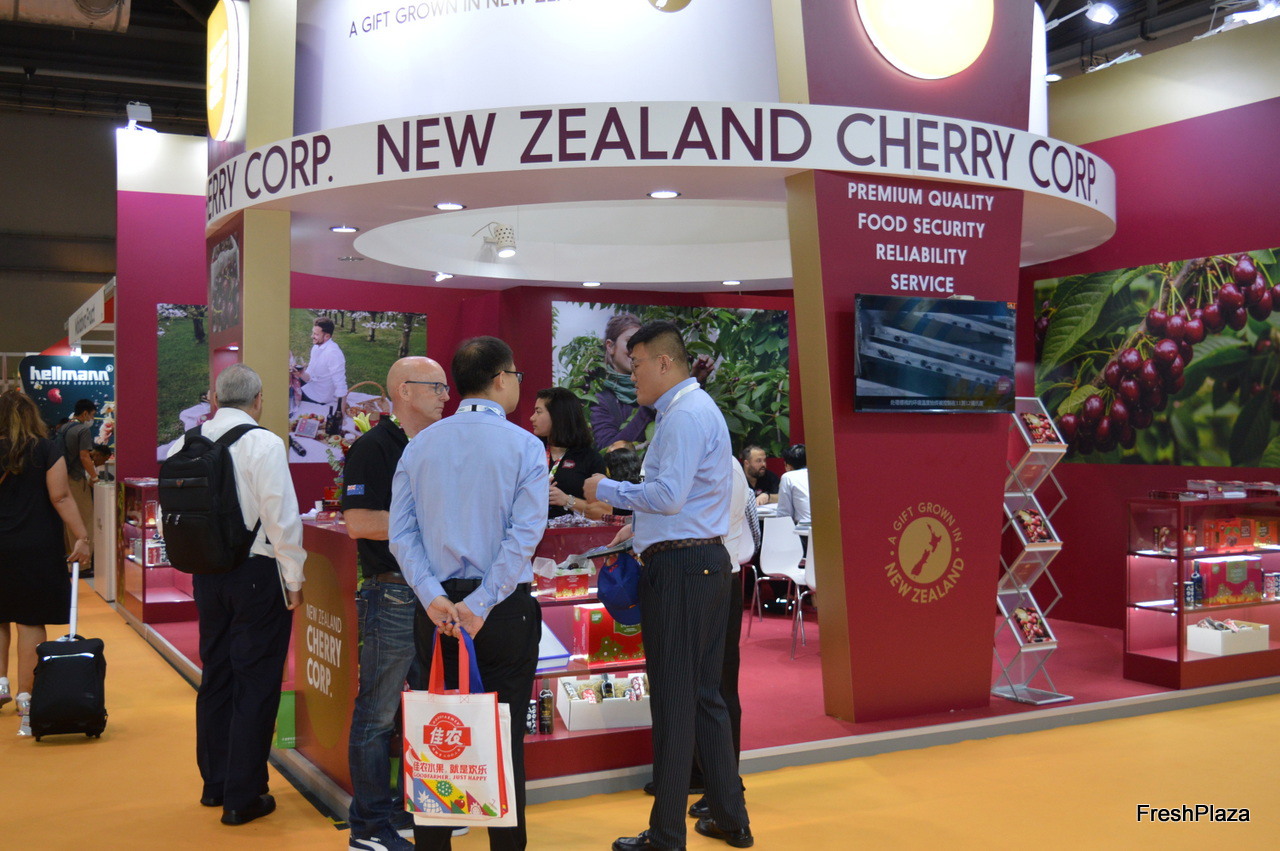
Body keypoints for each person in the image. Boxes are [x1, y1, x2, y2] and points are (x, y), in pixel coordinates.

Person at [585, 321, 752, 851]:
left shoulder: (682, 415)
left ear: (663, 362)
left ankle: (666, 834)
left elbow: (668, 495)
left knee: (677, 701)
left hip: (681, 568)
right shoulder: (694, 410)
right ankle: (729, 817)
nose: (630, 375)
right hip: (703, 563)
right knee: (704, 697)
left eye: (635, 365)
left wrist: (606, 489)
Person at [390, 336, 546, 851]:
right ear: (501, 378)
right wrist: (480, 604)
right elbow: (524, 536)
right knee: (505, 740)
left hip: (435, 613)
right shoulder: (525, 445)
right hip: (501, 612)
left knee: (435, 738)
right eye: (516, 375)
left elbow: (401, 534)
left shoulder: (419, 445)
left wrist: (432, 596)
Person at [170, 364, 306, 827]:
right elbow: (281, 517)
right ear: (258, 399)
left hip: (206, 574)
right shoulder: (264, 443)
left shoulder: (185, 443)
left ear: (214, 399)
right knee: (256, 681)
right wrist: (293, 578)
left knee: (217, 676)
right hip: (256, 574)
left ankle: (215, 784)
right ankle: (244, 796)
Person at [343, 357, 452, 851]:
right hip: (392, 592)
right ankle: (368, 826)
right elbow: (359, 522)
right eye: (436, 387)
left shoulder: (441, 444)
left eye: (446, 387)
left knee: (426, 706)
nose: (446, 396)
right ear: (404, 391)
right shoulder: (373, 447)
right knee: (378, 713)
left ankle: (419, 807)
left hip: (435, 594)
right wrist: (427, 522)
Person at [0, 389, 92, 737]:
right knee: (30, 619)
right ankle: (26, 697)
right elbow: (60, 495)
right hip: (36, 546)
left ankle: (0, 685)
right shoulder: (46, 449)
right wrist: (82, 535)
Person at [529, 387, 607, 519]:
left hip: (573, 530)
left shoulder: (590, 458)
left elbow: (603, 512)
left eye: (538, 412)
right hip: (531, 529)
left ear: (557, 416)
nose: (532, 418)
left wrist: (567, 500)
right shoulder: (530, 453)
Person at [590, 312, 655, 450]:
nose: (635, 349)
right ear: (610, 346)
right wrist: (648, 406)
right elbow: (609, 450)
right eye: (630, 342)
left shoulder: (657, 389)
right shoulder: (601, 401)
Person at [58, 398, 99, 576]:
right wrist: (95, 477)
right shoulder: (82, 430)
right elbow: (84, 457)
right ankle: (83, 564)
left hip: (61, 478)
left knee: (68, 521)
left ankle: (71, 560)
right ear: (85, 413)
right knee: (85, 519)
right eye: (92, 415)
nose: (92, 419)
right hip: (75, 479)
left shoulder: (64, 428)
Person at [294, 316, 349, 411]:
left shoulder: (333, 354)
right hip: (310, 386)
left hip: (318, 397)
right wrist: (301, 373)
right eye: (313, 333)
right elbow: (309, 377)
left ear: (327, 336)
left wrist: (341, 414)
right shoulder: (316, 347)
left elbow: (341, 386)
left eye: (316, 334)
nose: (312, 336)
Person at [776, 444, 811, 530]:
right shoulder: (818, 474)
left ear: (788, 465)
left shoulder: (788, 477)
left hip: (804, 531)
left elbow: (784, 514)